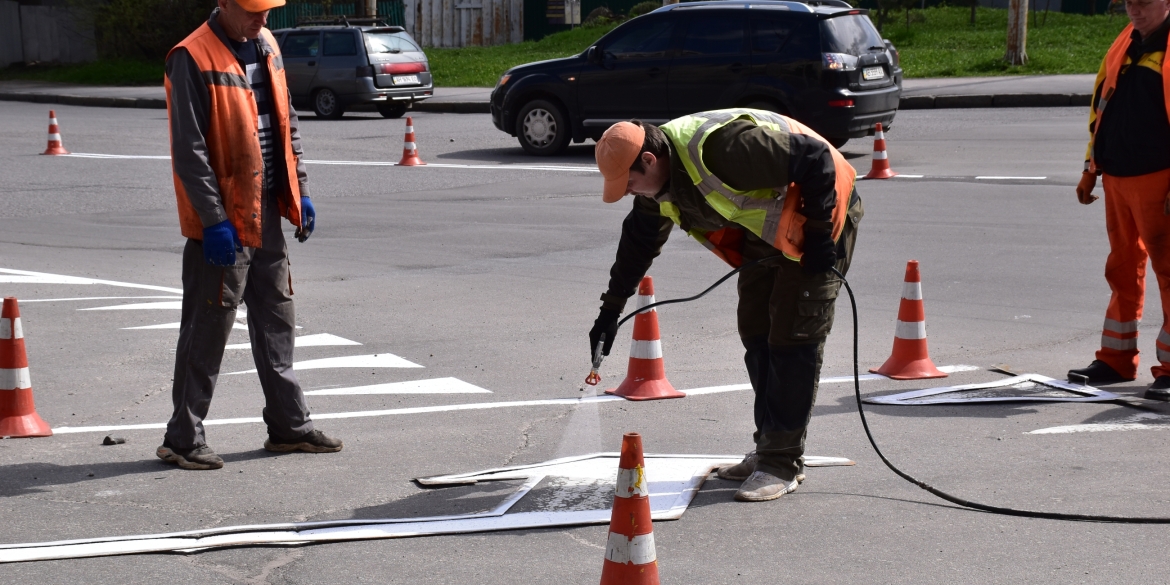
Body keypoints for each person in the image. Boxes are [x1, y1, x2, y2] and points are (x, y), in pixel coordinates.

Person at [589, 109, 863, 501]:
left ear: (648, 159)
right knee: (756, 330)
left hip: (824, 213)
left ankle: (781, 463)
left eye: (629, 182)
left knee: (793, 336)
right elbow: (638, 243)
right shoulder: (658, 184)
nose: (629, 191)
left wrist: (819, 235)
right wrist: (610, 311)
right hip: (770, 235)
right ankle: (768, 447)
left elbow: (816, 158)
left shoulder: (721, 150)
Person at [159, 0, 342, 470]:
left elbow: (286, 122)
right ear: (223, 5)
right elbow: (189, 149)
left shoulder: (267, 44)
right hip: (222, 220)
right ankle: (182, 438)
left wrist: (299, 192)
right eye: (254, 11)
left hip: (267, 211)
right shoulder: (191, 56)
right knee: (208, 328)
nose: (263, 19)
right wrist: (213, 219)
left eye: (268, 10)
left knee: (277, 317)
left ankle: (289, 426)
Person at [1071, 0, 1170, 402]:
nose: (1135, 10)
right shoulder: (1124, 43)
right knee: (1122, 267)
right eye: (1129, 2)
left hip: (1158, 177)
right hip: (1117, 175)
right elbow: (1102, 107)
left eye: (1144, 3)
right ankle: (1115, 358)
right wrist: (1090, 167)